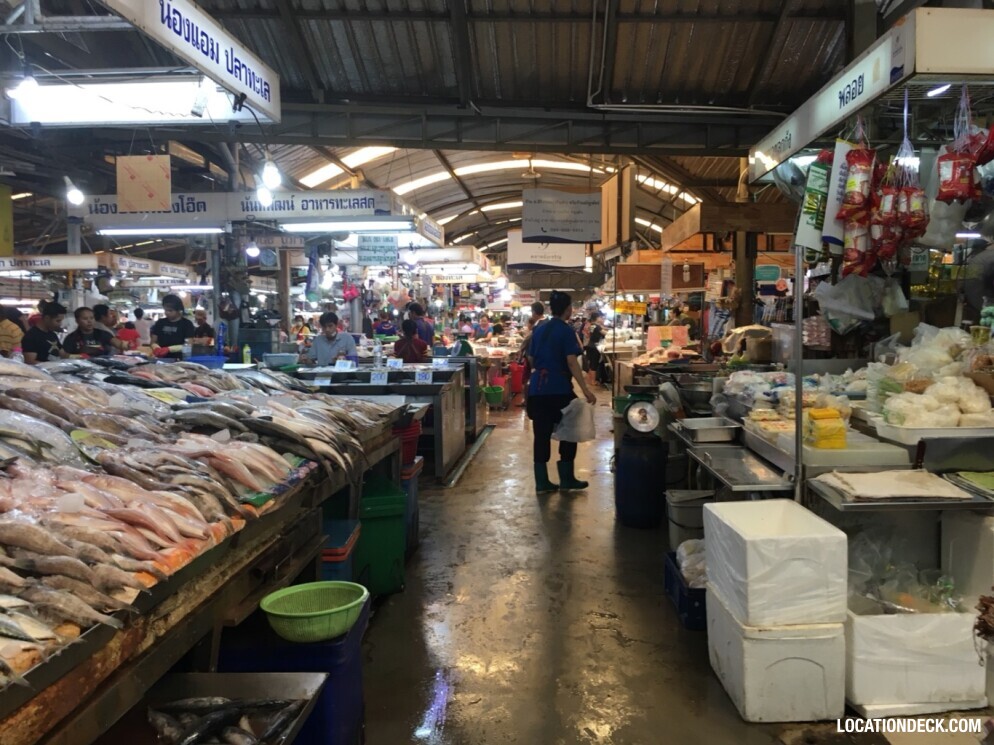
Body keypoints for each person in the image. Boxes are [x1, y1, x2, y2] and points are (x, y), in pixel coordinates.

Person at [526, 291, 596, 494]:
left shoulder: (539, 329)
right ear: (568, 309)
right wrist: (585, 389)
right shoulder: (566, 331)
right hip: (558, 388)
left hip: (537, 388)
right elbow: (572, 361)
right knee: (570, 429)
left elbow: (531, 359)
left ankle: (542, 482)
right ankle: (566, 478)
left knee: (541, 435)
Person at [150, 294, 196, 359]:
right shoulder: (160, 323)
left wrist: (169, 349)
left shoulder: (187, 324)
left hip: (180, 359)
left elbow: (189, 345)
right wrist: (156, 348)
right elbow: (153, 342)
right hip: (161, 359)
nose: (167, 313)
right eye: (165, 310)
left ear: (179, 310)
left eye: (170, 310)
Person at [584, 311, 605, 386]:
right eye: (600, 317)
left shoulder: (592, 325)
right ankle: (593, 381)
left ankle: (589, 380)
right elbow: (604, 333)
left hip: (590, 345)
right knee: (594, 364)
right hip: (595, 347)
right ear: (597, 318)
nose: (601, 318)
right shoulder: (597, 326)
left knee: (591, 364)